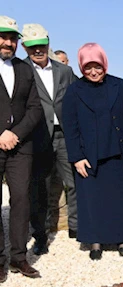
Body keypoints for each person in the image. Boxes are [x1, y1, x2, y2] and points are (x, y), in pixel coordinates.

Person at [61, 43, 123, 260]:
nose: (94, 72)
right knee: (93, 200)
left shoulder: (121, 86)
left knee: (121, 199)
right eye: (88, 67)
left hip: (121, 154)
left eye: (97, 66)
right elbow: (70, 127)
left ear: (105, 64)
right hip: (90, 157)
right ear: (81, 68)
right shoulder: (74, 91)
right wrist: (77, 157)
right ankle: (95, 241)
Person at [22, 24, 78, 254]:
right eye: (32, 47)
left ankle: (76, 227)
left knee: (74, 182)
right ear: (25, 47)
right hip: (37, 137)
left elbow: (75, 100)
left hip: (65, 136)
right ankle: (40, 236)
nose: (38, 50)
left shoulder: (64, 71)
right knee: (39, 188)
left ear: (48, 43)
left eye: (41, 45)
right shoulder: (21, 70)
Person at [0, 15, 44, 281]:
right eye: (3, 37)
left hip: (20, 146)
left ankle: (18, 257)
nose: (8, 42)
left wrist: (15, 134)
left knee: (21, 200)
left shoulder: (25, 69)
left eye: (13, 39)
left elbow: (35, 107)